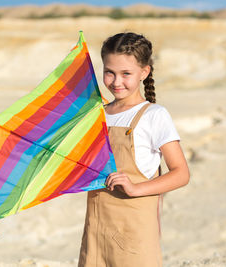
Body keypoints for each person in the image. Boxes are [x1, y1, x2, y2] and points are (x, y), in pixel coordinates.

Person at [78, 32, 190, 267]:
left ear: (144, 72)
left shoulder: (154, 115)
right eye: (110, 72)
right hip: (96, 228)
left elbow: (181, 173)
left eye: (126, 74)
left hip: (133, 232)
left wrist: (135, 188)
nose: (116, 82)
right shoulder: (98, 114)